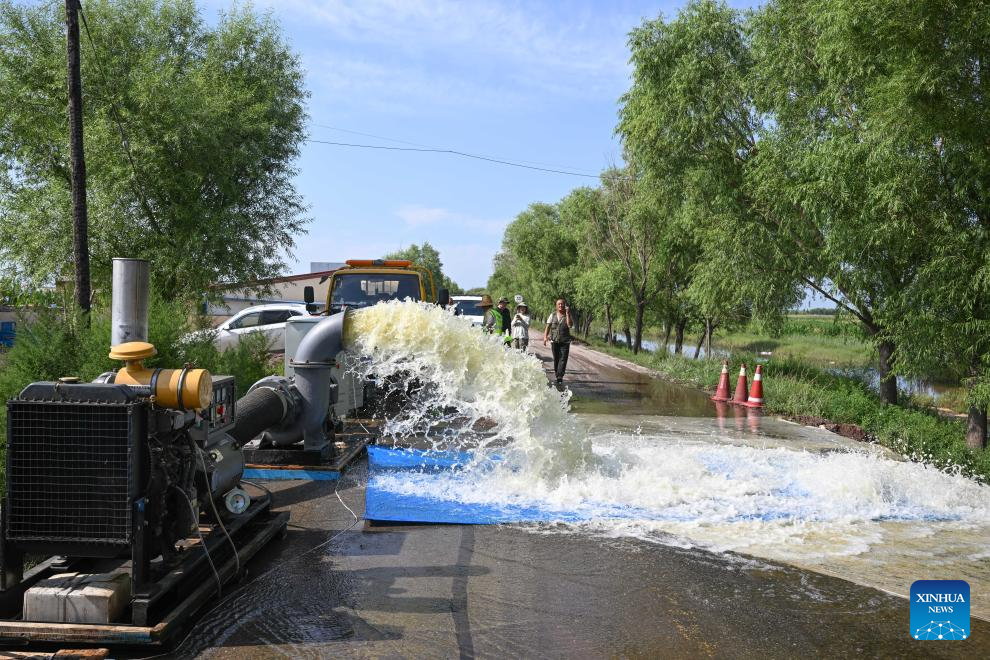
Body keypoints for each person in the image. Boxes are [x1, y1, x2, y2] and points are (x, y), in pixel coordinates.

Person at [543, 297, 572, 384]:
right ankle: (557, 374)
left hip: (565, 341)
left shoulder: (567, 315)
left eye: (562, 304)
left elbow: (570, 325)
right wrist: (545, 337)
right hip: (554, 341)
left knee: (563, 359)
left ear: (565, 305)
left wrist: (567, 313)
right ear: (556, 306)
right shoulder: (552, 315)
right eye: (559, 304)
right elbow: (548, 327)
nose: (560, 305)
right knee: (556, 359)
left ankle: (560, 376)